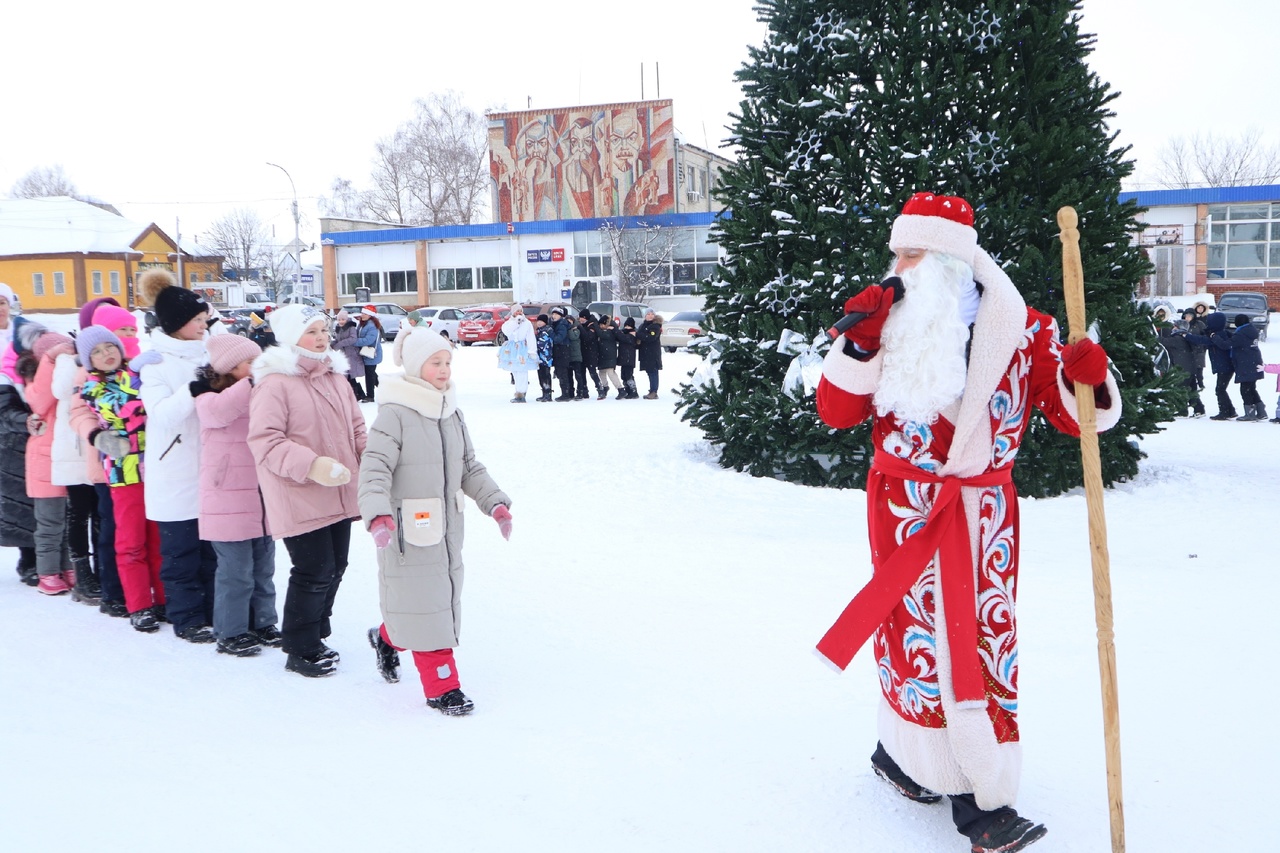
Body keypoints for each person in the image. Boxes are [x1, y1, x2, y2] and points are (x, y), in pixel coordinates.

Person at [814, 192, 1122, 853]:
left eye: (910, 252)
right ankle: (905, 755)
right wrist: (857, 342)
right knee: (911, 639)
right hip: (903, 510)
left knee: (981, 638)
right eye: (897, 249)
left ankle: (979, 791)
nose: (896, 263)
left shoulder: (1027, 329)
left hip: (983, 519)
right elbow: (837, 410)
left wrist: (1087, 379)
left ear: (952, 260)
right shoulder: (885, 320)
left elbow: (1080, 421)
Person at [358, 328, 512, 716]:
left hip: (446, 531)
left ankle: (386, 638)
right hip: (404, 531)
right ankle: (444, 687)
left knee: (430, 604)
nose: (444, 370)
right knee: (427, 608)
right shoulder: (394, 415)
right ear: (414, 367)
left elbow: (468, 466)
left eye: (447, 362)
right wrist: (376, 514)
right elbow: (374, 468)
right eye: (435, 362)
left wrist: (495, 503)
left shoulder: (451, 411)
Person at [248, 305, 366, 677]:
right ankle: (300, 647)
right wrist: (311, 465)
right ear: (290, 337)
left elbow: (357, 428)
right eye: (311, 331)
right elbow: (265, 441)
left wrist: (375, 461)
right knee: (314, 570)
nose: (321, 338)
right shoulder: (275, 383)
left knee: (336, 567)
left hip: (340, 489)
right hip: (298, 490)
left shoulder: (335, 378)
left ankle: (316, 631)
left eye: (323, 330)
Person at [135, 269, 218, 644]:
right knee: (181, 553)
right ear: (177, 324)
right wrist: (194, 388)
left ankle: (218, 611)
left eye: (205, 320)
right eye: (197, 321)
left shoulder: (211, 353)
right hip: (175, 471)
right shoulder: (155, 363)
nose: (204, 326)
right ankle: (186, 617)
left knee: (212, 552)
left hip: (212, 468)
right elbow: (163, 414)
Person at [192, 335, 280, 657]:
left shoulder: (259, 391)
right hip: (226, 498)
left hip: (260, 495)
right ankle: (231, 631)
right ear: (229, 368)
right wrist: (253, 383)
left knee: (263, 568)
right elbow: (219, 413)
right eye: (249, 363)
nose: (257, 368)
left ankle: (264, 622)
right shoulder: (208, 396)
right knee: (235, 571)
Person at [75, 326, 165, 633]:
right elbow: (128, 413)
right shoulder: (92, 388)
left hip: (155, 466)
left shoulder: (137, 375)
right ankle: (139, 604)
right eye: (97, 352)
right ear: (89, 361)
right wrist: (138, 378)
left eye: (109, 347)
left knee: (158, 537)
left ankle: (163, 598)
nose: (106, 354)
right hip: (124, 472)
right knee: (131, 541)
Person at [19, 325, 80, 596]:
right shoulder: (36, 385)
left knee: (68, 521)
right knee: (49, 524)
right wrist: (49, 361)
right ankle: (47, 572)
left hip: (65, 460)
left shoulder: (68, 381)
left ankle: (66, 567)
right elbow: (41, 401)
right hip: (44, 463)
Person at [0, 318, 41, 586]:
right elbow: (3, 411)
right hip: (12, 448)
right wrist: (24, 420)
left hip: (39, 445)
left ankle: (46, 557)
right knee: (20, 506)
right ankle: (28, 559)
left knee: (45, 506)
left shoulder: (44, 370)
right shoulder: (6, 375)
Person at [1184, 312, 1237, 420]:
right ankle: (1230, 411)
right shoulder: (1219, 333)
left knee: (1220, 390)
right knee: (1221, 389)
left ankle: (1225, 412)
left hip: (1225, 367)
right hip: (1225, 366)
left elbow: (1203, 340)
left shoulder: (1218, 335)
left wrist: (1187, 336)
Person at [1157, 323, 1205, 417]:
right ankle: (1199, 409)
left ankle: (1182, 411)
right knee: (1192, 390)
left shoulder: (1177, 339)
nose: (1172, 328)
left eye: (1174, 326)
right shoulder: (1186, 338)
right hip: (1190, 368)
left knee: (1180, 390)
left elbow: (1163, 341)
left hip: (1182, 369)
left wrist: (1154, 336)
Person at [1228, 314, 1266, 421]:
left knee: (1245, 389)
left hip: (1245, 363)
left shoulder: (1241, 334)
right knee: (1251, 388)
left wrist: (1214, 337)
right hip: (1254, 361)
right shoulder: (1250, 330)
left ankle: (1250, 412)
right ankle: (1261, 410)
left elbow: (1228, 344)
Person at [498, 305, 538, 403]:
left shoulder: (527, 323)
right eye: (517, 311)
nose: (519, 313)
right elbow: (506, 331)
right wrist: (516, 322)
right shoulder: (509, 323)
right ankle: (518, 391)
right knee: (515, 371)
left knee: (522, 371)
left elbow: (530, 337)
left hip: (522, 349)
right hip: (512, 349)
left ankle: (522, 393)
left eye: (520, 311)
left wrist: (532, 351)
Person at [330, 309, 367, 401]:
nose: (341, 321)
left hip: (352, 354)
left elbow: (353, 339)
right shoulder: (338, 328)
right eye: (339, 320)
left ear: (346, 319)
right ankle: (359, 394)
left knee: (350, 375)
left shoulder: (351, 327)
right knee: (348, 375)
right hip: (344, 355)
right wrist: (331, 344)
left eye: (343, 319)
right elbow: (337, 340)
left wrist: (339, 344)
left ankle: (356, 395)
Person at [355, 305, 384, 401]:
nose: (362, 315)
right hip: (366, 353)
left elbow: (369, 340)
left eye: (365, 313)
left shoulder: (371, 326)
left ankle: (370, 396)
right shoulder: (363, 324)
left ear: (370, 315)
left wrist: (354, 341)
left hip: (371, 354)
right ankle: (385, 388)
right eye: (362, 313)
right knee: (371, 374)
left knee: (369, 375)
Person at [1176, 307, 1207, 390]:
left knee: (1199, 368)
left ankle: (1200, 383)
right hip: (1186, 350)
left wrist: (1202, 345)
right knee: (1188, 368)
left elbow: (1205, 336)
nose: (1187, 318)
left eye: (1190, 316)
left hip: (1198, 349)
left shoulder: (1199, 324)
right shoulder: (1181, 324)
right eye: (1186, 316)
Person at [548, 307, 575, 400]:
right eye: (553, 314)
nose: (554, 316)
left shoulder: (562, 325)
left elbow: (558, 339)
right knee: (562, 373)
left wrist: (551, 332)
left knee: (562, 373)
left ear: (561, 316)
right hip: (559, 351)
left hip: (562, 351)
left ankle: (566, 394)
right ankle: (568, 393)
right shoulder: (555, 324)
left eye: (556, 314)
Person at [636, 309, 664, 399]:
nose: (650, 316)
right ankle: (652, 390)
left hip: (652, 353)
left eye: (652, 314)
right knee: (649, 372)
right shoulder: (643, 325)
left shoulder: (655, 326)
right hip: (645, 353)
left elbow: (650, 338)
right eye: (648, 314)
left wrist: (637, 335)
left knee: (653, 372)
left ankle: (654, 391)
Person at [596, 314, 624, 398]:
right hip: (603, 355)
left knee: (611, 373)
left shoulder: (610, 331)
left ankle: (620, 389)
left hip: (609, 355)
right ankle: (605, 386)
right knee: (601, 373)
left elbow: (601, 334)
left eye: (602, 325)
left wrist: (595, 326)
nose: (600, 326)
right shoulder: (606, 331)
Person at [577, 309, 603, 398]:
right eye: (580, 318)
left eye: (582, 318)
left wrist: (580, 328)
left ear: (586, 318)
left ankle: (600, 389)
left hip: (591, 352)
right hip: (583, 352)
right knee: (582, 372)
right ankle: (584, 391)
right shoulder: (583, 325)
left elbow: (588, 338)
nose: (581, 320)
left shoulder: (592, 325)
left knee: (592, 372)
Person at [616, 317, 640, 399]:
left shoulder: (632, 335)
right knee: (623, 375)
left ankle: (633, 391)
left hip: (629, 358)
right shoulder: (624, 333)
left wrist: (616, 330)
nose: (627, 328)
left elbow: (624, 338)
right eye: (626, 326)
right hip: (624, 358)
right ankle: (627, 390)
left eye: (629, 326)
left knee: (629, 375)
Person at [534, 314, 555, 402]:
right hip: (539, 357)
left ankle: (548, 393)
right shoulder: (539, 331)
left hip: (546, 357)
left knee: (546, 375)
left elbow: (544, 343)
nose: (539, 323)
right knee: (540, 375)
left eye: (541, 321)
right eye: (538, 321)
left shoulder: (547, 331)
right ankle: (544, 392)